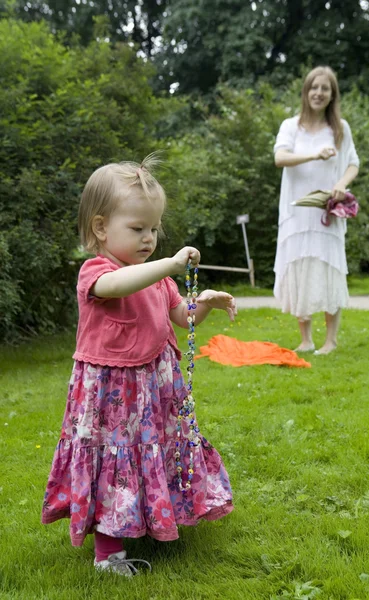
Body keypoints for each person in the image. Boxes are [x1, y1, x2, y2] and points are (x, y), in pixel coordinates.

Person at [41, 154, 237, 576]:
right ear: (100, 227)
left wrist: (203, 304)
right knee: (113, 460)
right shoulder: (98, 271)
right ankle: (108, 553)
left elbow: (181, 318)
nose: (148, 238)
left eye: (153, 229)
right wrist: (166, 264)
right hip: (112, 397)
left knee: (151, 454)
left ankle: (149, 518)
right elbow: (115, 286)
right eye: (137, 228)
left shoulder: (158, 278)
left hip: (154, 391)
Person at [273, 66, 359, 355]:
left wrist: (341, 184)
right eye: (314, 87)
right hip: (297, 212)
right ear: (305, 91)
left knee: (328, 269)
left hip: (326, 213)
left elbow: (352, 164)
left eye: (325, 88)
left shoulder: (340, 129)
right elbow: (280, 157)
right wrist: (314, 154)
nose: (319, 93)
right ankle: (306, 339)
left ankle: (330, 341)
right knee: (299, 267)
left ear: (332, 94)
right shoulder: (290, 126)